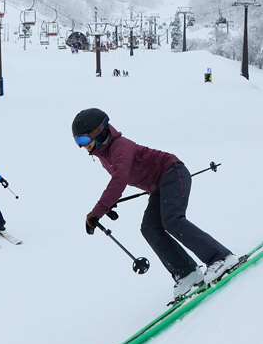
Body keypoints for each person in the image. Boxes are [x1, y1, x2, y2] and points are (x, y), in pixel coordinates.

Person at [72, 108, 238, 301]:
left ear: (98, 132)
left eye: (83, 140)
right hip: (159, 187)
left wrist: (98, 211)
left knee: (172, 220)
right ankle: (187, 273)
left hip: (172, 172)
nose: (81, 146)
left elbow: (120, 179)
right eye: (77, 142)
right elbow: (122, 179)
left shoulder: (120, 146)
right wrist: (109, 203)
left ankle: (221, 258)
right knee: (149, 228)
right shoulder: (105, 155)